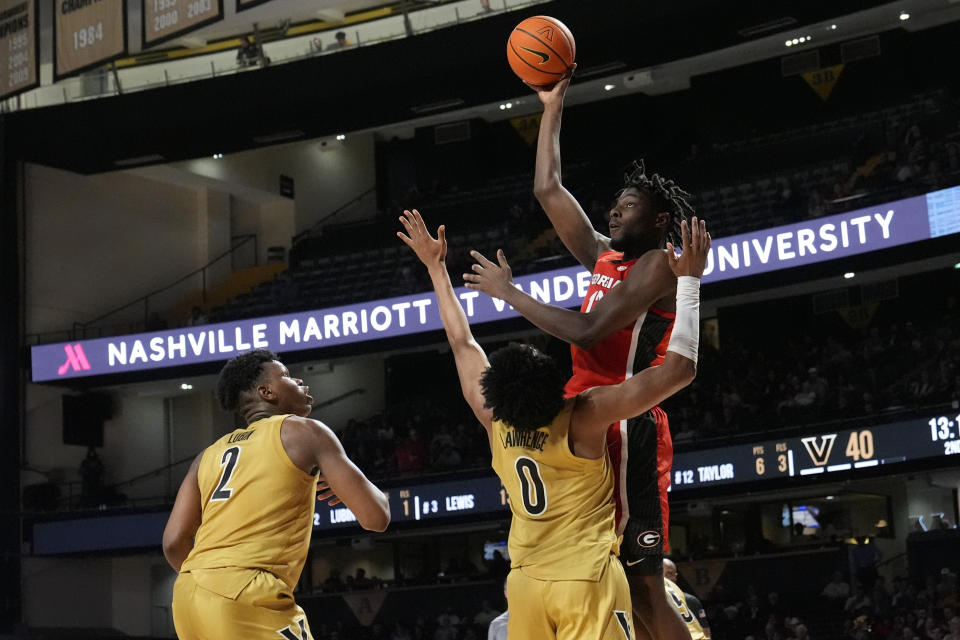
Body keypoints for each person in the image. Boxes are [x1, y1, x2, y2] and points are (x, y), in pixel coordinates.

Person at [399, 209, 708, 639]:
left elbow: (461, 341)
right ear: (550, 382)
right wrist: (690, 282)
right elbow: (678, 372)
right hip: (584, 579)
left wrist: (435, 268)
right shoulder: (583, 415)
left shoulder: (494, 419)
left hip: (525, 584)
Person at [464, 70, 696, 640]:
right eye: (614, 205)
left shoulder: (658, 265)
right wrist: (553, 103)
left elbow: (590, 331)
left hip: (629, 420)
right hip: (584, 416)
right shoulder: (604, 256)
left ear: (659, 219)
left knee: (642, 584)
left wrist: (510, 293)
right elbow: (548, 190)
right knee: (605, 575)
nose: (615, 213)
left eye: (629, 206)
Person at [162, 349, 390, 640]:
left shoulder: (206, 455)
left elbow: (172, 543)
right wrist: (356, 489)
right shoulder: (305, 432)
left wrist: (212, 580)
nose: (301, 383)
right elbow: (376, 517)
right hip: (247, 589)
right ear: (266, 392)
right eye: (288, 377)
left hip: (188, 596)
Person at [662, 558, 711, 639]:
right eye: (664, 574)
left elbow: (705, 630)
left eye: (670, 573)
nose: (666, 578)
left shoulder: (691, 600)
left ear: (675, 576)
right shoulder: (654, 600)